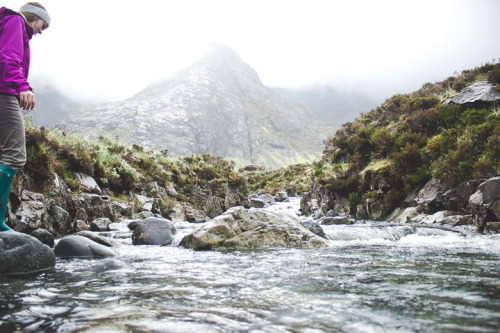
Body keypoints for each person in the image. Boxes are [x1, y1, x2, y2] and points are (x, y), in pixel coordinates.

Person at [0, 3, 50, 231]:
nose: (41, 31)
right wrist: (22, 86)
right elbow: (8, 57)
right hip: (4, 91)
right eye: (42, 25)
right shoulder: (16, 22)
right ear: (34, 17)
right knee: (15, 155)